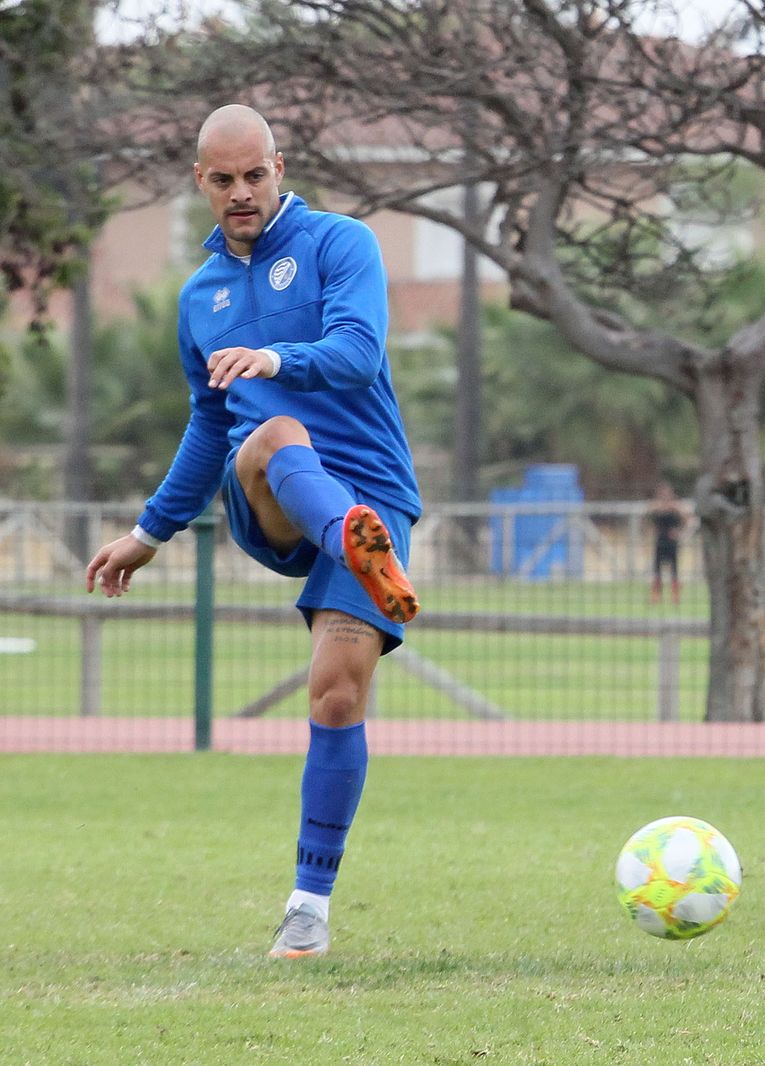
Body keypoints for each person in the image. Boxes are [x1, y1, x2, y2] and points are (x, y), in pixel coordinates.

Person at [84, 104, 420, 959]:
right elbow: (208, 424)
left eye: (254, 175)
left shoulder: (342, 245)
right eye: (223, 180)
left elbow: (355, 350)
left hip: (371, 486)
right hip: (268, 494)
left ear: (280, 166)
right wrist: (149, 533)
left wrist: (275, 360)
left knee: (336, 695)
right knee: (269, 435)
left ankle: (307, 910)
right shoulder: (200, 298)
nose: (241, 193)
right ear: (201, 181)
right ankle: (347, 534)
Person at [646, 481, 691, 604]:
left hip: (672, 540)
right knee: (657, 568)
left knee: (674, 569)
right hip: (660, 539)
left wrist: (680, 532)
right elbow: (648, 516)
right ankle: (656, 596)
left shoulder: (676, 506)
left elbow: (687, 518)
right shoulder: (656, 506)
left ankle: (675, 596)